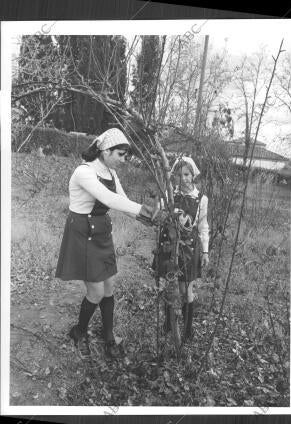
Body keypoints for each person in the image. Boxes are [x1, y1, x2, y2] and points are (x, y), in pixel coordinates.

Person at [55, 128, 166, 359]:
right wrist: (145, 211)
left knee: (109, 287)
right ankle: (79, 332)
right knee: (95, 292)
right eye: (120, 154)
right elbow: (108, 199)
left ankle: (108, 336)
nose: (123, 160)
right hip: (82, 232)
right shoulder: (83, 171)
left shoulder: (111, 173)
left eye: (126, 156)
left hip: (102, 232)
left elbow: (123, 201)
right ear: (106, 151)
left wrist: (152, 220)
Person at [153, 156, 210, 340]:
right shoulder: (170, 194)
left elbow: (202, 226)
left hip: (189, 248)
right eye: (179, 175)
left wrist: (205, 250)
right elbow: (159, 215)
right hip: (170, 246)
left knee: (186, 290)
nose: (183, 178)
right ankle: (168, 324)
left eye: (187, 174)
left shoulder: (201, 199)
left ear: (193, 175)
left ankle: (187, 329)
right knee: (170, 286)